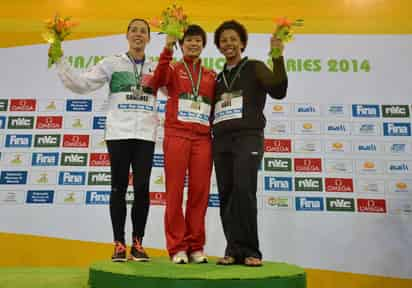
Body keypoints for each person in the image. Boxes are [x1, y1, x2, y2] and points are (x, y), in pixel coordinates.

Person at [55, 18, 158, 262]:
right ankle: (119, 244)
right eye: (134, 30)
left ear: (149, 38)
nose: (138, 34)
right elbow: (82, 83)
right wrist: (60, 59)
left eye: (143, 31)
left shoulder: (157, 66)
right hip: (118, 134)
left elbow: (175, 89)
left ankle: (138, 243)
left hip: (145, 134)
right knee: (118, 188)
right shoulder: (112, 63)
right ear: (127, 35)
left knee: (142, 189)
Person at [212, 20, 288, 266]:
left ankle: (251, 250)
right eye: (224, 40)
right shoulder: (219, 77)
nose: (229, 43)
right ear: (219, 46)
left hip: (248, 138)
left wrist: (277, 55)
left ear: (242, 43)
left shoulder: (254, 67)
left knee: (244, 190)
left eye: (233, 39)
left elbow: (278, 90)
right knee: (227, 194)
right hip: (221, 141)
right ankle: (233, 250)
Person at [152, 25, 216, 264]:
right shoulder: (172, 68)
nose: (193, 44)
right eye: (189, 40)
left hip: (202, 139)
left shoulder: (210, 75)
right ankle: (177, 247)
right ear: (181, 44)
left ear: (203, 44)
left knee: (200, 193)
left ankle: (196, 246)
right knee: (175, 192)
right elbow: (155, 82)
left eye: (198, 40)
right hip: (177, 135)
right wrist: (167, 48)